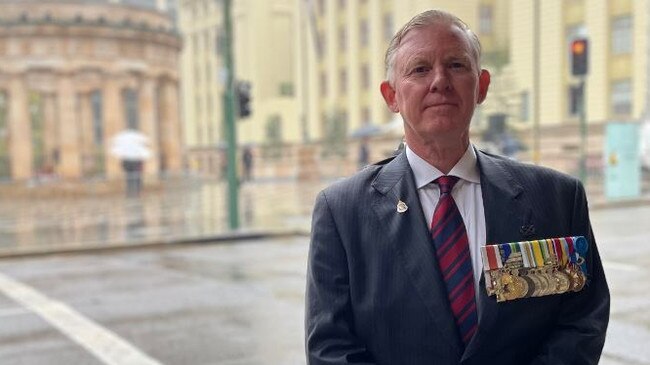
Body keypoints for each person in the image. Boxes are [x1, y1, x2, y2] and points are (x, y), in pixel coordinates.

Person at [305, 9, 609, 365]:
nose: (439, 81)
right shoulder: (342, 212)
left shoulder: (557, 199)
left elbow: (582, 320)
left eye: (456, 65)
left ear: (482, 86)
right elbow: (330, 348)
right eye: (419, 69)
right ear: (391, 96)